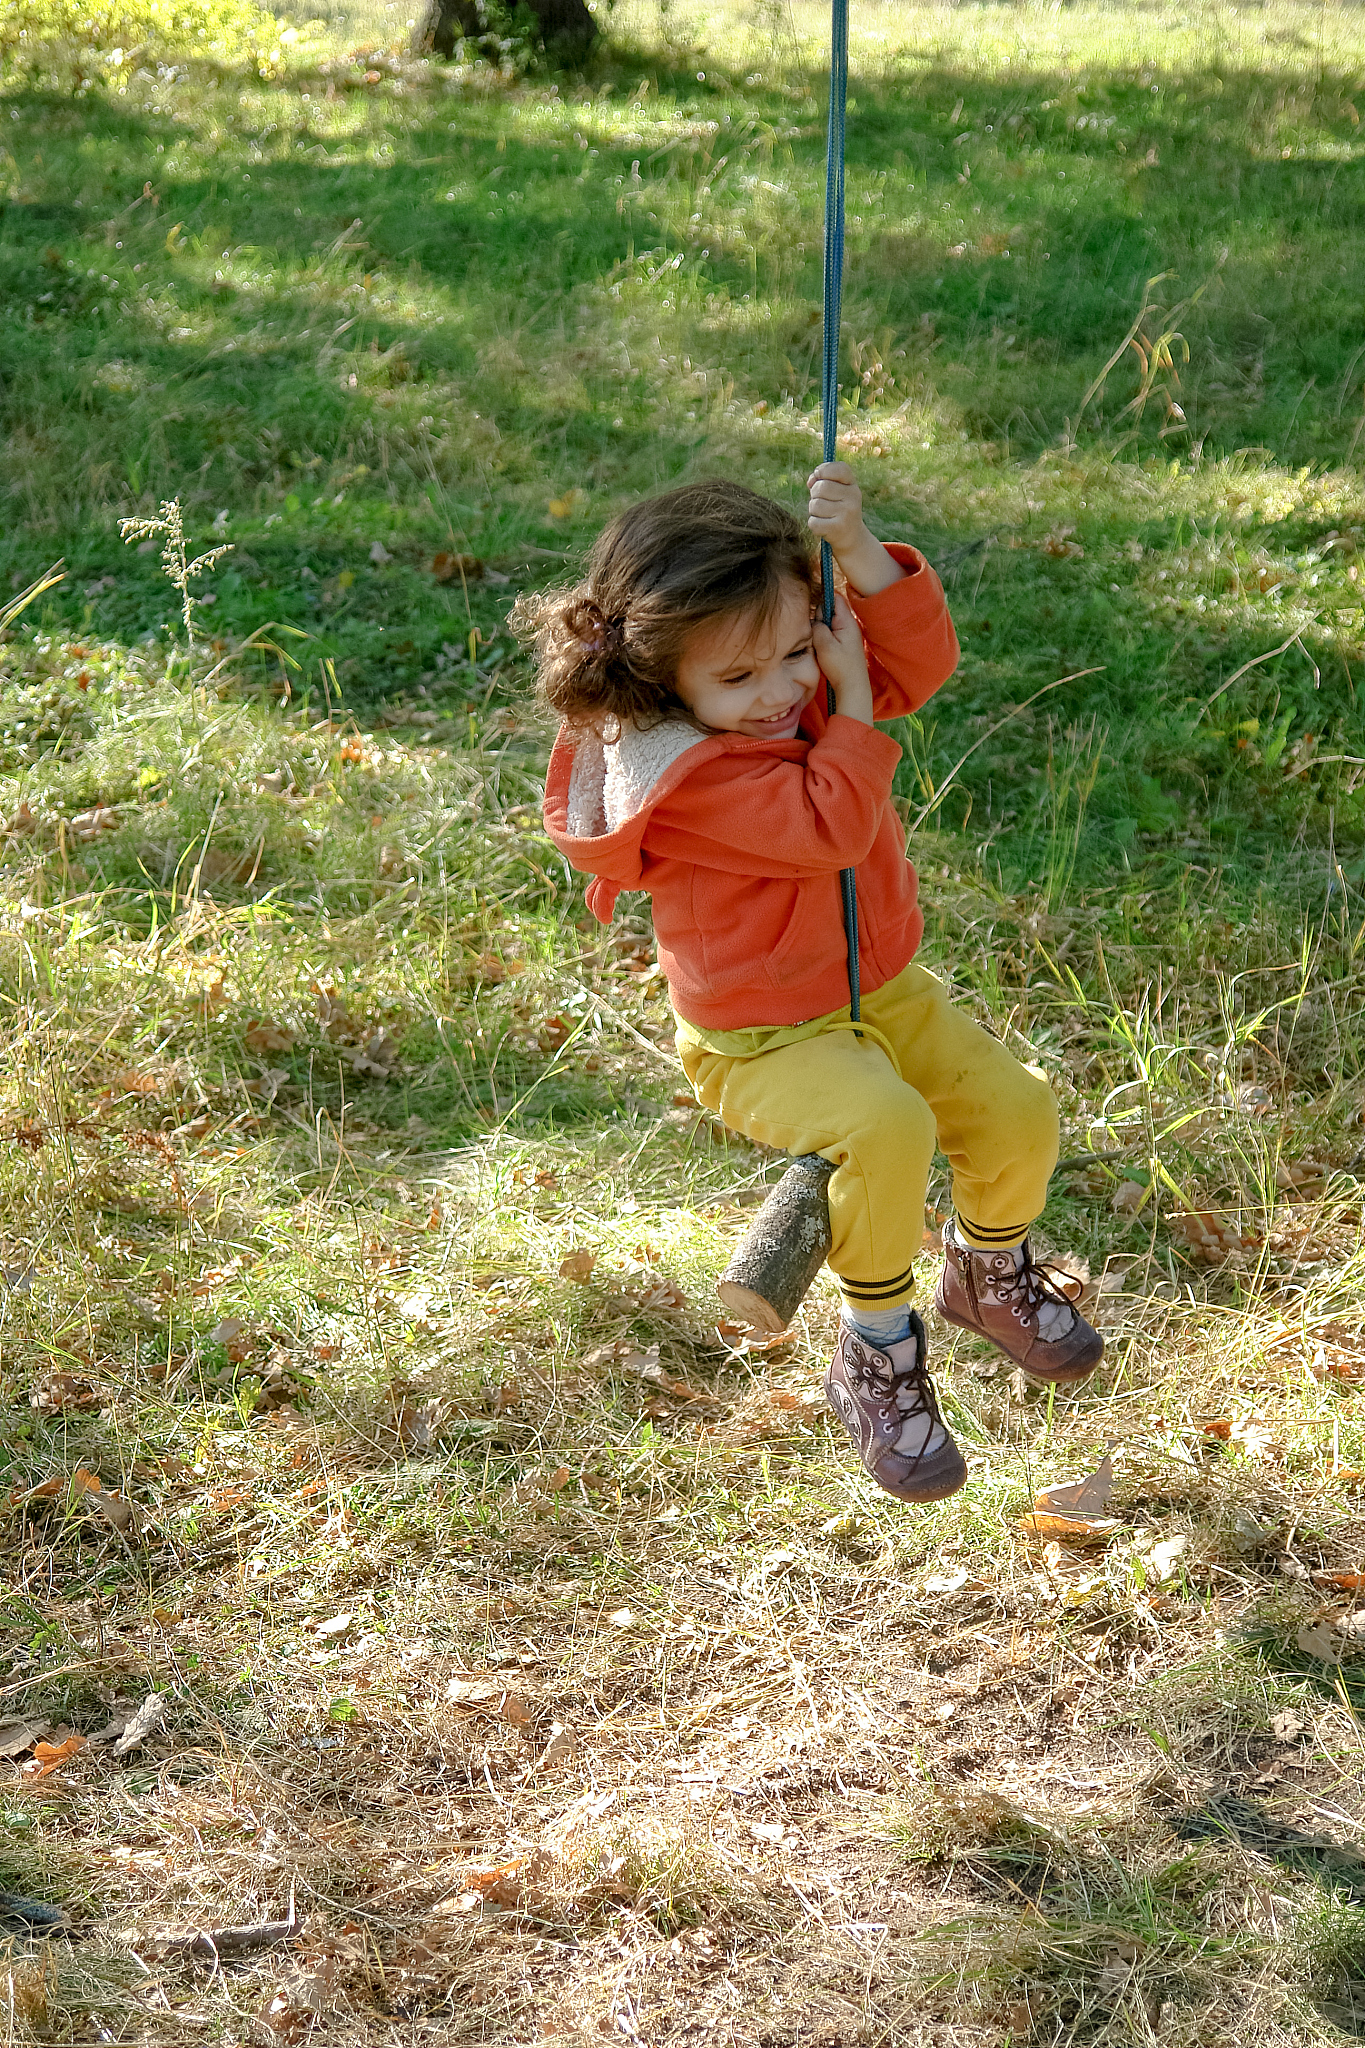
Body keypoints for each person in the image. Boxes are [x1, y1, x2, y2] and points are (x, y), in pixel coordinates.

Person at [522, 465, 1102, 1504]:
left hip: (882, 990)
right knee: (886, 1128)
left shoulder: (786, 675)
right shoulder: (686, 775)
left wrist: (864, 556)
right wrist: (852, 691)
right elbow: (830, 820)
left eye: (798, 653)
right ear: (666, 683)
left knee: (1017, 1107)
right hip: (761, 1038)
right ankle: (876, 1353)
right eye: (741, 678)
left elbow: (924, 660)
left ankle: (987, 1268)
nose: (784, 689)